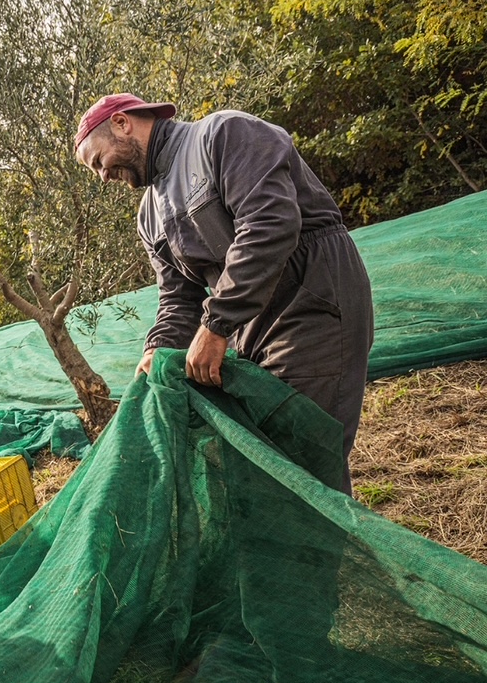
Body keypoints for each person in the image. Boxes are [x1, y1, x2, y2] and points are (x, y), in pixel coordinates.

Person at [73, 93, 374, 493]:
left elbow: (270, 224)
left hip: (312, 299)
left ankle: (317, 552)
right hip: (250, 322)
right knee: (272, 460)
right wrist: (157, 348)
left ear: (123, 123)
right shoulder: (149, 215)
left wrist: (215, 326)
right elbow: (178, 297)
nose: (102, 177)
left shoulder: (222, 134)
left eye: (98, 161)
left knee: (300, 459)